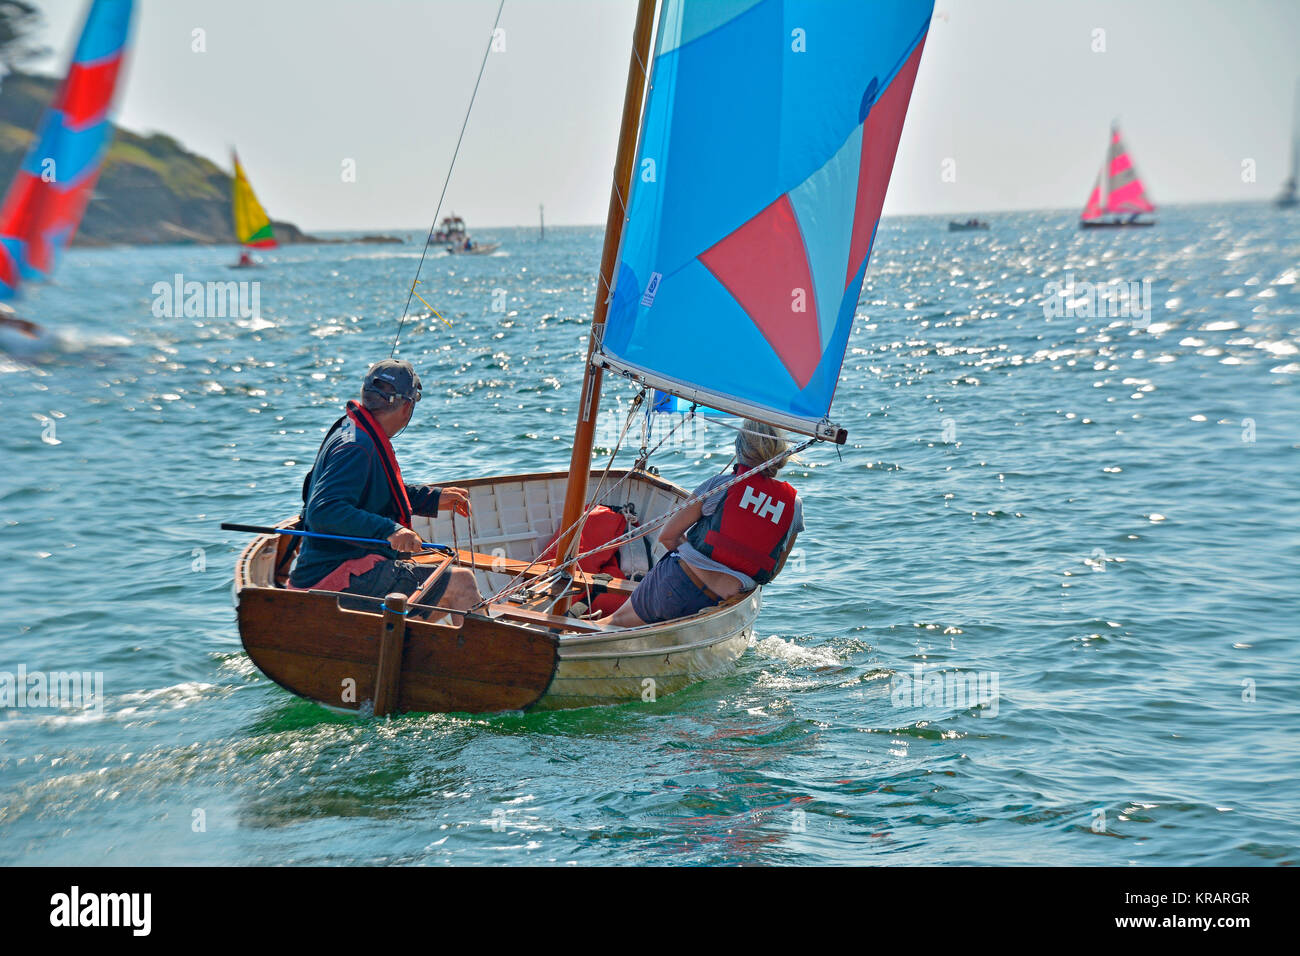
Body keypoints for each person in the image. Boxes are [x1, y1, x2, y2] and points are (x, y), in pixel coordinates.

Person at [288, 359, 479, 623]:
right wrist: (390, 530)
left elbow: (378, 492)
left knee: (440, 590)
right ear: (407, 407)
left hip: (336, 566)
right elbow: (324, 510)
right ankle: (489, 662)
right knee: (462, 584)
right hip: (336, 577)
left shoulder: (353, 429)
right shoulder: (357, 447)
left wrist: (433, 498)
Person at [607, 420, 804, 628]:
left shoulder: (719, 485)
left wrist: (693, 555)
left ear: (740, 449)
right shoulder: (794, 507)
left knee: (613, 623)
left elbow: (667, 537)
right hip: (724, 601)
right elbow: (772, 572)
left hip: (678, 583)